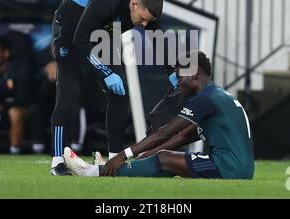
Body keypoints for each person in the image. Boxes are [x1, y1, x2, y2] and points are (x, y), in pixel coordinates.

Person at [49, 0, 175, 175]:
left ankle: (115, 160)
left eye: (148, 21)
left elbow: (159, 41)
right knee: (69, 93)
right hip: (70, 30)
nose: (143, 25)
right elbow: (80, 40)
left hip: (104, 33)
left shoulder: (147, 5)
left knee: (120, 94)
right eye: (142, 19)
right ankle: (57, 161)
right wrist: (107, 72)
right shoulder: (106, 0)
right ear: (133, 4)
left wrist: (172, 73)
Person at [64, 51, 255, 180]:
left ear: (195, 75)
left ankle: (92, 171)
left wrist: (122, 155)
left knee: (164, 159)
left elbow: (166, 132)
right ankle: (109, 169)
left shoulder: (206, 98)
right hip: (239, 167)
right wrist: (147, 154)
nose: (178, 83)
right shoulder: (217, 94)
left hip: (229, 167)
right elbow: (182, 137)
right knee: (164, 164)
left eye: (180, 77)